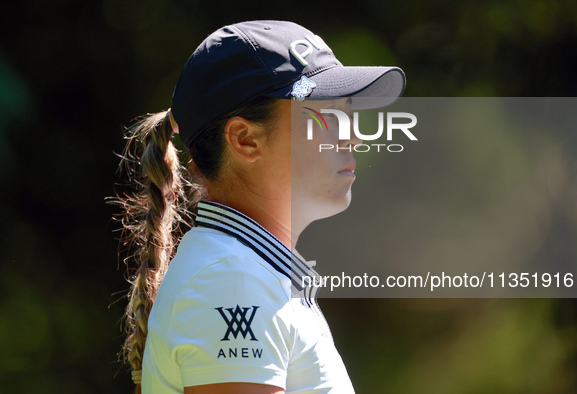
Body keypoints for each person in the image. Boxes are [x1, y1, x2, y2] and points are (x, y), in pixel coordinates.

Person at [113, 20, 405, 394]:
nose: (354, 135)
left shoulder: (245, 272)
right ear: (245, 139)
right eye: (325, 115)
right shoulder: (231, 279)